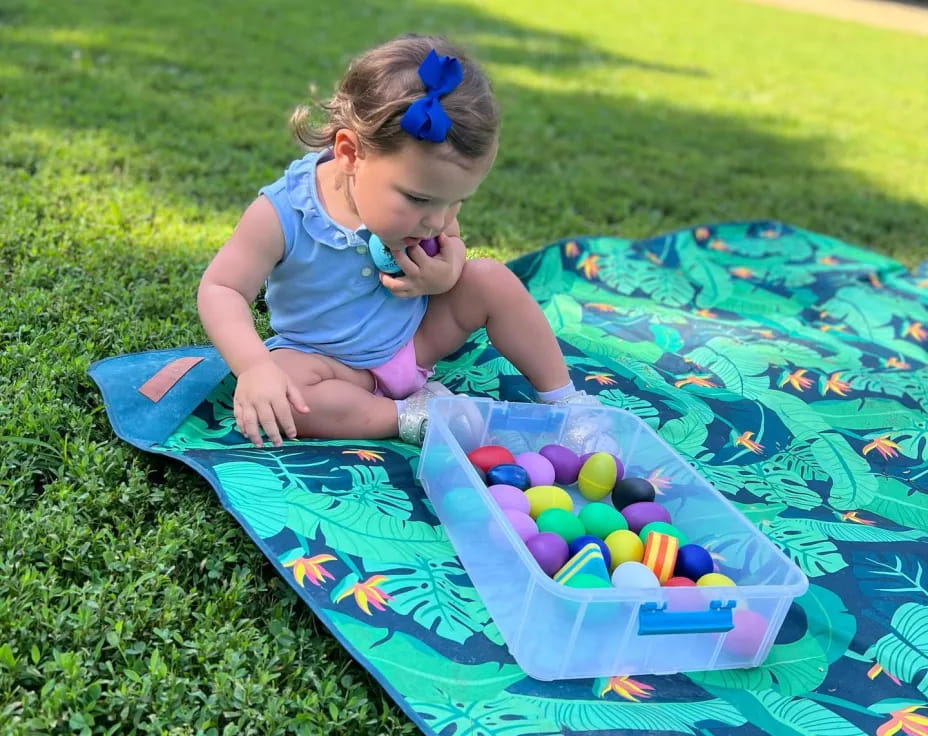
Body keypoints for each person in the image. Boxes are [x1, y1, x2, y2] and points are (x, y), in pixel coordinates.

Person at [198, 34, 597, 449]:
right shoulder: (283, 214)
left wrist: (447, 271)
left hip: (416, 343)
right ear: (350, 154)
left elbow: (452, 242)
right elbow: (221, 288)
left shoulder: (429, 208)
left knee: (490, 278)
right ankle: (409, 416)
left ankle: (567, 400)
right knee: (290, 390)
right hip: (328, 366)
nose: (437, 221)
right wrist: (254, 367)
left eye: (455, 202)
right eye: (419, 199)